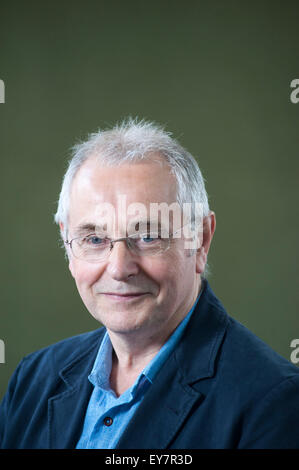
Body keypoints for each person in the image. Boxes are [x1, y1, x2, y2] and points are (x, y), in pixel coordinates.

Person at [1, 118, 299, 449]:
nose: (118, 268)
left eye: (147, 236)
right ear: (67, 243)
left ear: (200, 240)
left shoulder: (275, 403)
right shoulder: (33, 379)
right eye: (95, 238)